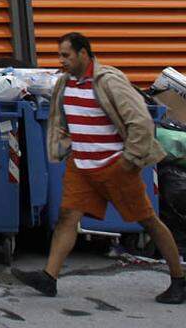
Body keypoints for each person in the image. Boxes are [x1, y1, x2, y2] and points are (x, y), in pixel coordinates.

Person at [13, 32, 184, 304]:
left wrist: (130, 159)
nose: (62, 60)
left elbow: (139, 120)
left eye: (66, 55)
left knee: (148, 221)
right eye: (60, 55)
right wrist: (64, 144)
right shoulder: (66, 84)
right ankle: (49, 278)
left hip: (115, 166)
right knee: (67, 217)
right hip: (81, 165)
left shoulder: (108, 82)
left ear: (84, 54)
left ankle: (179, 280)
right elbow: (63, 118)